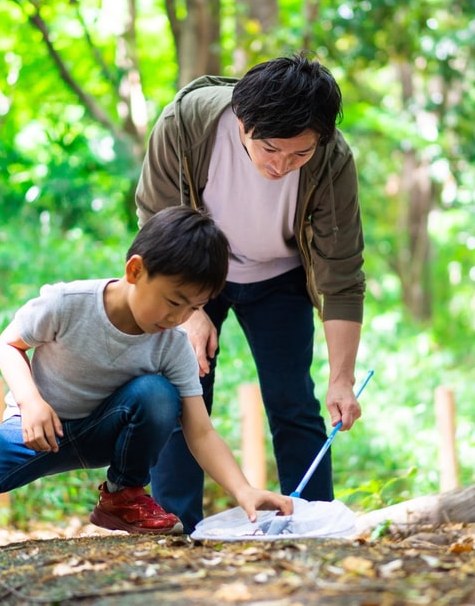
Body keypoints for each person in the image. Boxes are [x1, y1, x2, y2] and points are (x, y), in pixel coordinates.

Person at [0, 206, 292, 555]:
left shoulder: (173, 346)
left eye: (192, 309)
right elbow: (9, 343)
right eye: (173, 301)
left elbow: (200, 431)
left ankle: (123, 495)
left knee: (157, 394)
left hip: (105, 432)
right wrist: (30, 401)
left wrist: (244, 490)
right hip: (37, 430)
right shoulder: (68, 303)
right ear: (136, 270)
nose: (178, 317)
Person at [129, 53, 366, 532]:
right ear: (243, 122)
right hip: (193, 266)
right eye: (272, 150)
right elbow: (156, 216)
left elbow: (341, 272)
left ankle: (313, 523)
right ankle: (176, 527)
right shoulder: (187, 123)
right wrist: (190, 312)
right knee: (182, 390)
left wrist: (342, 378)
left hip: (280, 276)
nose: (282, 166)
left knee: (293, 400)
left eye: (300, 155)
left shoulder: (332, 159)